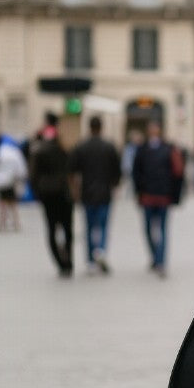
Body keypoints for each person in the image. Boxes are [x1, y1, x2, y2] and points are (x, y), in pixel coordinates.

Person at [68, 116, 122, 274]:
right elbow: (117, 172)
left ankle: (91, 261)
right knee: (104, 225)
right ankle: (101, 250)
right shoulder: (109, 146)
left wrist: (75, 190)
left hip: (87, 192)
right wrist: (114, 186)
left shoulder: (81, 146)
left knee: (89, 227)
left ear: (89, 127)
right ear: (102, 127)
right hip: (105, 192)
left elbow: (72, 171)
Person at [132, 120, 183, 277]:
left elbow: (178, 172)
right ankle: (155, 256)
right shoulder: (142, 149)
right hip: (148, 195)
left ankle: (160, 261)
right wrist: (138, 191)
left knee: (161, 229)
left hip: (162, 195)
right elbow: (136, 172)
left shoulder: (168, 148)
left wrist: (175, 195)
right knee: (148, 229)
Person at [28, 121, 73, 277]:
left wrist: (37, 194)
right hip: (64, 194)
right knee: (67, 229)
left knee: (52, 229)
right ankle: (68, 260)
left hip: (47, 194)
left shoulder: (39, 153)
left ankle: (60, 263)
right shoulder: (63, 151)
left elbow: (33, 177)